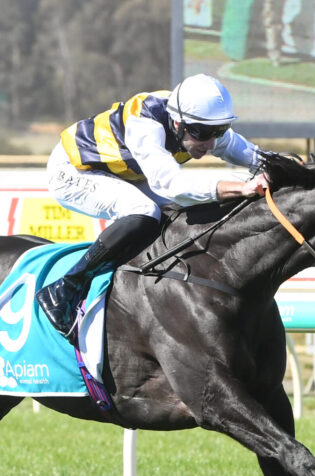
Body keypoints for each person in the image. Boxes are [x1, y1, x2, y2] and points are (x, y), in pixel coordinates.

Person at [36, 73, 269, 340]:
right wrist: (240, 187)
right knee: (145, 212)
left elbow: (252, 154)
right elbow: (172, 185)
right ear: (178, 122)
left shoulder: (195, 122)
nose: (211, 143)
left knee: (178, 213)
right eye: (203, 133)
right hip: (74, 169)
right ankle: (66, 287)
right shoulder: (145, 123)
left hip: (123, 173)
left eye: (219, 131)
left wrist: (291, 168)